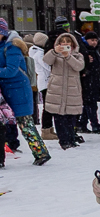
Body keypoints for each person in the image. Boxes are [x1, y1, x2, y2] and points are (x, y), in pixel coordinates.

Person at [0, 20, 50, 165]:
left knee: (25, 123)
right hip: (5, 91)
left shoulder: (12, 48)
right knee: (5, 123)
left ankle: (41, 153)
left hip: (18, 90)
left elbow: (11, 70)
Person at [42, 32, 87, 150]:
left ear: (73, 44)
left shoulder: (78, 55)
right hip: (57, 89)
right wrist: (55, 51)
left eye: (68, 43)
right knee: (59, 117)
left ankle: (71, 138)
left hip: (72, 90)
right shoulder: (55, 55)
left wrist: (68, 56)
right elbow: (46, 60)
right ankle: (64, 140)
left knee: (71, 117)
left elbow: (79, 66)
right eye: (63, 43)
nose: (66, 45)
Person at [77, 31, 100, 135]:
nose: (94, 42)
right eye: (92, 40)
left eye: (95, 40)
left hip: (93, 80)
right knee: (90, 104)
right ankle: (95, 125)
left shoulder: (94, 51)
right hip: (88, 81)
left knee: (88, 104)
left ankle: (82, 124)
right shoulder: (85, 51)